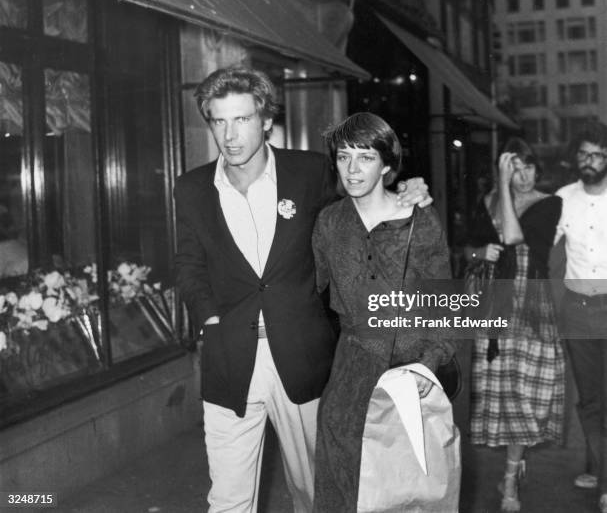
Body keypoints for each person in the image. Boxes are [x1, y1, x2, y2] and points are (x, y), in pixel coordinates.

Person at [173, 66, 430, 513]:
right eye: (219, 121)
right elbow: (189, 264)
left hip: (303, 358)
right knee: (228, 500)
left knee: (316, 492)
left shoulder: (308, 172)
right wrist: (210, 319)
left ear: (266, 120)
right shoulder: (192, 188)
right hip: (230, 359)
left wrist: (406, 190)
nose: (230, 135)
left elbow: (364, 204)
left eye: (242, 119)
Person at [311, 112, 454, 512]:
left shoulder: (419, 220)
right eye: (343, 157)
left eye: (365, 157)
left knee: (404, 485)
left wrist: (429, 365)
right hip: (351, 365)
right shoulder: (329, 222)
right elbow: (309, 286)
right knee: (342, 475)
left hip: (408, 366)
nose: (353, 169)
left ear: (387, 165)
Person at [466, 137, 564, 512]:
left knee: (528, 395)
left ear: (538, 169)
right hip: (493, 302)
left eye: (528, 167)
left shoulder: (548, 203)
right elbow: (469, 248)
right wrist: (478, 252)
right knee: (504, 394)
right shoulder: (487, 201)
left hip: (530, 303)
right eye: (515, 168)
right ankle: (510, 474)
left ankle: (511, 473)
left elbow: (512, 236)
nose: (524, 175)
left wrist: (503, 185)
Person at [554, 123, 607, 513]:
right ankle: (601, 468)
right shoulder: (563, 198)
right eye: (585, 154)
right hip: (578, 312)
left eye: (599, 155)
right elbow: (535, 243)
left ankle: (604, 478)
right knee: (590, 401)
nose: (590, 162)